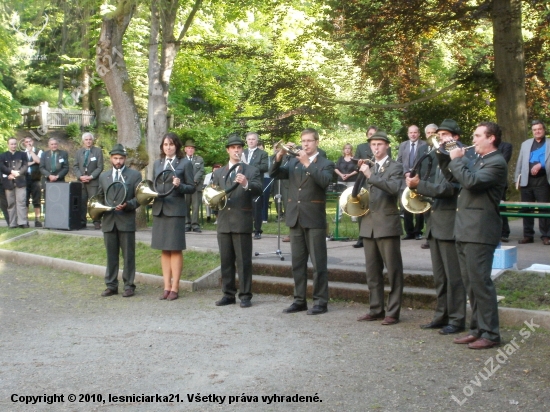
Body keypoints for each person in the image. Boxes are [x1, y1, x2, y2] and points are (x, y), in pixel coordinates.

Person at [445, 121, 507, 349]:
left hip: (480, 231)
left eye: (477, 136)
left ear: (491, 138)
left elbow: (470, 182)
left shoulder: (497, 162)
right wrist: (451, 152)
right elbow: (457, 177)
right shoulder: (479, 160)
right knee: (470, 283)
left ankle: (491, 334)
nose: (473, 140)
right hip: (466, 229)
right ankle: (477, 329)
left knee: (480, 283)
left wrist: (457, 159)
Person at [406, 120, 466, 335]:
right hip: (436, 223)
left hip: (450, 225)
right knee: (440, 277)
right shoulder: (439, 157)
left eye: (445, 135)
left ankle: (457, 319)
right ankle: (441, 316)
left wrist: (420, 186)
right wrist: (416, 184)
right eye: (439, 135)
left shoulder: (461, 157)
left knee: (453, 277)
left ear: (456, 138)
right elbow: (435, 187)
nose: (440, 138)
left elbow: (451, 188)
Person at [270, 128, 334, 315]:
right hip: (295, 217)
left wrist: (308, 164)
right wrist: (279, 156)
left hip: (314, 218)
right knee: (297, 263)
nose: (305, 144)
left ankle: (321, 301)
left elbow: (324, 182)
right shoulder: (293, 162)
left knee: (318, 263)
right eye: (303, 141)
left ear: (317, 142)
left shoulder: (326, 163)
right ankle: (299, 300)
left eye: (309, 141)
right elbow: (274, 173)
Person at [356, 131, 404, 325]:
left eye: (379, 144)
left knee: (393, 271)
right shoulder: (367, 166)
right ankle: (376, 308)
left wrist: (370, 175)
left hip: (387, 224)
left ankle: (393, 312)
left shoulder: (396, 166)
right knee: (372, 271)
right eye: (373, 145)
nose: (375, 148)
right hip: (368, 224)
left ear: (387, 146)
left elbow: (393, 188)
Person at [213, 134, 262, 308]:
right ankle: (228, 294)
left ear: (242, 150)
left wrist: (247, 183)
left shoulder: (251, 170)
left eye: (239, 147)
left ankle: (246, 295)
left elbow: (259, 190)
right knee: (225, 261)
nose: (236, 150)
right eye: (233, 147)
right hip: (224, 221)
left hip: (242, 220)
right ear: (228, 150)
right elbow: (214, 195)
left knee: (243, 261)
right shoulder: (219, 172)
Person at [151, 133, 196, 301]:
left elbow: (191, 188)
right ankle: (166, 286)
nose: (168, 147)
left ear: (176, 145)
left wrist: (180, 185)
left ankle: (175, 287)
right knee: (164, 249)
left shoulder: (185, 163)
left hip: (175, 209)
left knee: (175, 248)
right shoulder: (157, 163)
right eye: (165, 144)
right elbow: (154, 184)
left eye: (171, 144)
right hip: (160, 209)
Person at [97, 144, 142, 298]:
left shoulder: (134, 175)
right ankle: (111, 285)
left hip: (126, 220)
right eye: (115, 158)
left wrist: (129, 205)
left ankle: (129, 285)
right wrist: (99, 208)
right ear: (111, 159)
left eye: (121, 158)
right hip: (109, 221)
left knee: (128, 255)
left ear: (125, 159)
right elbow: (99, 196)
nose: (118, 161)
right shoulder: (104, 176)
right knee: (111, 255)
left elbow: (140, 198)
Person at [514, 120, 550, 245]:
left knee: (544, 209)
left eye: (539, 129)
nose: (537, 131)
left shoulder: (549, 143)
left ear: (544, 130)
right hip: (526, 181)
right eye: (534, 130)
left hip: (543, 181)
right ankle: (528, 235)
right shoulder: (526, 144)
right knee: (526, 209)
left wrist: (542, 164)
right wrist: (516, 179)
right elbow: (519, 162)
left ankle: (546, 235)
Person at [353, 126, 382, 248]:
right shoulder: (361, 147)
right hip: (363, 182)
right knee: (362, 209)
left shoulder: (383, 147)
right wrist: (358, 164)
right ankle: (362, 237)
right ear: (367, 135)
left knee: (377, 208)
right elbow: (355, 167)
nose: (372, 136)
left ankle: (377, 235)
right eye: (370, 134)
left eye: (374, 134)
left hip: (378, 181)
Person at [398, 125, 428, 240]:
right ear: (408, 133)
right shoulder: (403, 145)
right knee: (406, 205)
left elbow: (425, 162)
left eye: (415, 132)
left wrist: (417, 175)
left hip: (418, 178)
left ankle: (418, 231)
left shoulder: (424, 145)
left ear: (419, 134)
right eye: (411, 132)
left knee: (419, 205)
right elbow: (399, 161)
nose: (413, 135)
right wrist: (405, 173)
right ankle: (409, 232)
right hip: (405, 179)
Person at [73, 132, 104, 229]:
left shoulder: (97, 151)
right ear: (83, 141)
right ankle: (82, 221)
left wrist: (91, 176)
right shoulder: (79, 152)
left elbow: (100, 167)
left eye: (90, 139)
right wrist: (80, 176)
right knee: (82, 202)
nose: (88, 141)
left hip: (93, 182)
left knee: (94, 202)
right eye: (86, 140)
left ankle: (96, 221)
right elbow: (75, 166)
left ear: (92, 140)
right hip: (81, 182)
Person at [243, 132, 268, 239]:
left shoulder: (262, 153)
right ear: (246, 141)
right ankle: (245, 228)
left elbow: (265, 167)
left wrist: (250, 166)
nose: (251, 141)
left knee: (256, 207)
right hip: (243, 183)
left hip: (256, 183)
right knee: (243, 206)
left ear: (257, 141)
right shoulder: (242, 152)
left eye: (253, 139)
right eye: (249, 139)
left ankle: (257, 230)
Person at [1, 137, 28, 228]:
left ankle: (22, 222)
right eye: (11, 144)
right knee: (11, 204)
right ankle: (12, 223)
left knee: (21, 202)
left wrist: (17, 173)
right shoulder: (3, 155)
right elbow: (2, 167)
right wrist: (11, 172)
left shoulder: (23, 154)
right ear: (8, 145)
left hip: (20, 182)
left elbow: (25, 166)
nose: (13, 145)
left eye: (15, 144)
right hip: (8, 183)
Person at [420, 124, 439, 250]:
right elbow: (418, 166)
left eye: (434, 132)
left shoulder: (441, 148)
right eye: (428, 133)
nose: (431, 135)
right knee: (427, 213)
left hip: (437, 184)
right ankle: (429, 236)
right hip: (424, 184)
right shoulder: (422, 148)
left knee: (436, 212)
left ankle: (433, 237)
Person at [40, 138, 69, 215]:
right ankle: (48, 218)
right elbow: (41, 167)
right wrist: (49, 175)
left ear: (57, 144)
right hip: (47, 181)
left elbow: (66, 167)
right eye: (52, 144)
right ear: (49, 145)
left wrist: (57, 176)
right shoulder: (44, 154)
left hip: (59, 180)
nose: (54, 146)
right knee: (48, 200)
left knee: (59, 200)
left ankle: (59, 217)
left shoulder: (63, 154)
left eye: (55, 144)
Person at [183, 140, 205, 233]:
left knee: (196, 206)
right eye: (189, 148)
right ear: (185, 149)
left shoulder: (199, 159)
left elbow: (201, 171)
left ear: (194, 150)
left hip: (196, 186)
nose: (190, 150)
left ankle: (195, 224)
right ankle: (187, 224)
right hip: (185, 186)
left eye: (192, 148)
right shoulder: (182, 159)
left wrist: (194, 180)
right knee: (186, 205)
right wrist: (188, 182)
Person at [23, 137, 43, 227]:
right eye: (26, 142)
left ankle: (37, 220)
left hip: (36, 179)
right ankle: (25, 220)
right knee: (25, 200)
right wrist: (32, 162)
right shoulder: (22, 153)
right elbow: (22, 165)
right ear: (24, 143)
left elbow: (38, 161)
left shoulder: (39, 151)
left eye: (30, 141)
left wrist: (31, 152)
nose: (28, 143)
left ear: (33, 142)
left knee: (37, 200)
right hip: (25, 179)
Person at [498, 140, 513, 242]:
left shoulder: (506, 145)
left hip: (500, 182)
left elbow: (503, 161)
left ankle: (504, 232)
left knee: (502, 208)